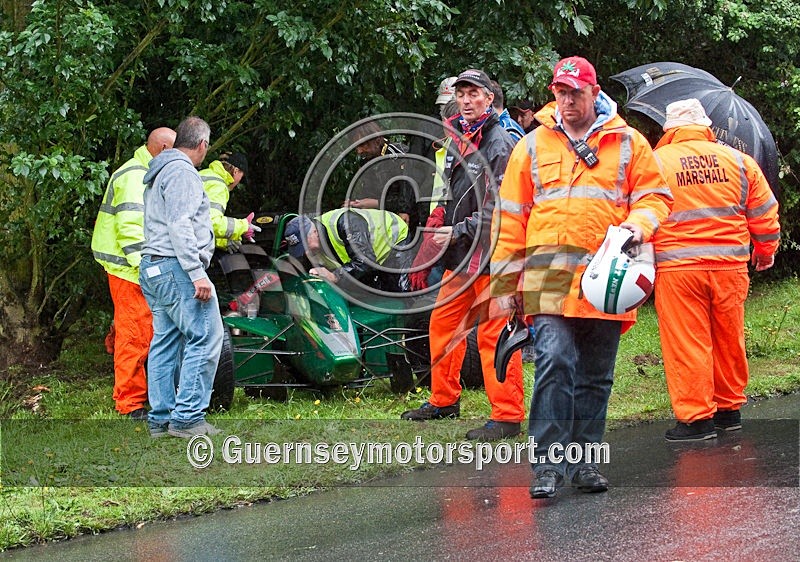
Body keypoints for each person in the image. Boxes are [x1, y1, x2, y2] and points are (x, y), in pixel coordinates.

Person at [491, 56, 673, 497]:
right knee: (554, 361)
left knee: (595, 373)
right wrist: (505, 284)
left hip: (609, 278)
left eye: (575, 92)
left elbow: (655, 196)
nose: (568, 100)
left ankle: (584, 462)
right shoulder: (531, 145)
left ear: (594, 92)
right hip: (547, 278)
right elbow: (510, 217)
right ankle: (547, 465)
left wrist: (638, 225)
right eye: (561, 92)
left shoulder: (628, 142)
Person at [401, 68, 525, 441]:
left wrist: (456, 231)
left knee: (494, 334)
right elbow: (450, 193)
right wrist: (439, 219)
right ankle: (444, 400)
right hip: (460, 257)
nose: (467, 100)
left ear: (489, 98)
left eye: (474, 94)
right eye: (462, 94)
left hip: (492, 257)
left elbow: (499, 208)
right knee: (443, 325)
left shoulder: (499, 143)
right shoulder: (459, 138)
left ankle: (507, 416)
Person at [652, 98, 781, 441]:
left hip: (679, 269)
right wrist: (765, 251)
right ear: (706, 126)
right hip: (730, 267)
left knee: (687, 343)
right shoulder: (739, 161)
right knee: (728, 339)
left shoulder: (656, 162)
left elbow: (641, 214)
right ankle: (728, 411)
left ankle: (696, 420)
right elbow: (765, 212)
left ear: (669, 129)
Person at [139, 116, 224, 438]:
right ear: (202, 144)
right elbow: (179, 224)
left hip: (153, 266)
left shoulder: (160, 170)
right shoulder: (183, 172)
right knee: (206, 336)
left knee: (166, 341)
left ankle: (161, 419)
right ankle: (187, 418)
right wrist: (196, 273)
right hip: (176, 267)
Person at [91, 127, 176, 420]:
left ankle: (126, 373)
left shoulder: (143, 172)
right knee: (136, 334)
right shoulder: (134, 177)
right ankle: (130, 402)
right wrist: (147, 269)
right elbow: (130, 230)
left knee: (134, 328)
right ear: (163, 149)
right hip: (129, 269)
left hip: (129, 267)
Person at [283, 208, 411, 293]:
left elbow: (366, 260)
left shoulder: (347, 223)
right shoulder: (314, 246)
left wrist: (335, 276)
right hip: (367, 256)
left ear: (314, 232)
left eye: (305, 246)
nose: (306, 253)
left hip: (395, 238)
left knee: (400, 291)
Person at [343, 122, 418, 229]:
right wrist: (356, 204)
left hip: (410, 221)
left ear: (377, 141)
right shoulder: (366, 162)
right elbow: (369, 194)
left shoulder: (398, 156)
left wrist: (376, 203)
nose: (359, 151)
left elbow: (411, 194)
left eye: (363, 145)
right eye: (356, 147)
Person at [199, 152, 260, 253]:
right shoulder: (218, 185)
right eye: (241, 177)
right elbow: (211, 222)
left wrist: (222, 241)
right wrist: (244, 226)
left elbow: (197, 225)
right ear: (235, 171)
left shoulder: (203, 174)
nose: (238, 182)